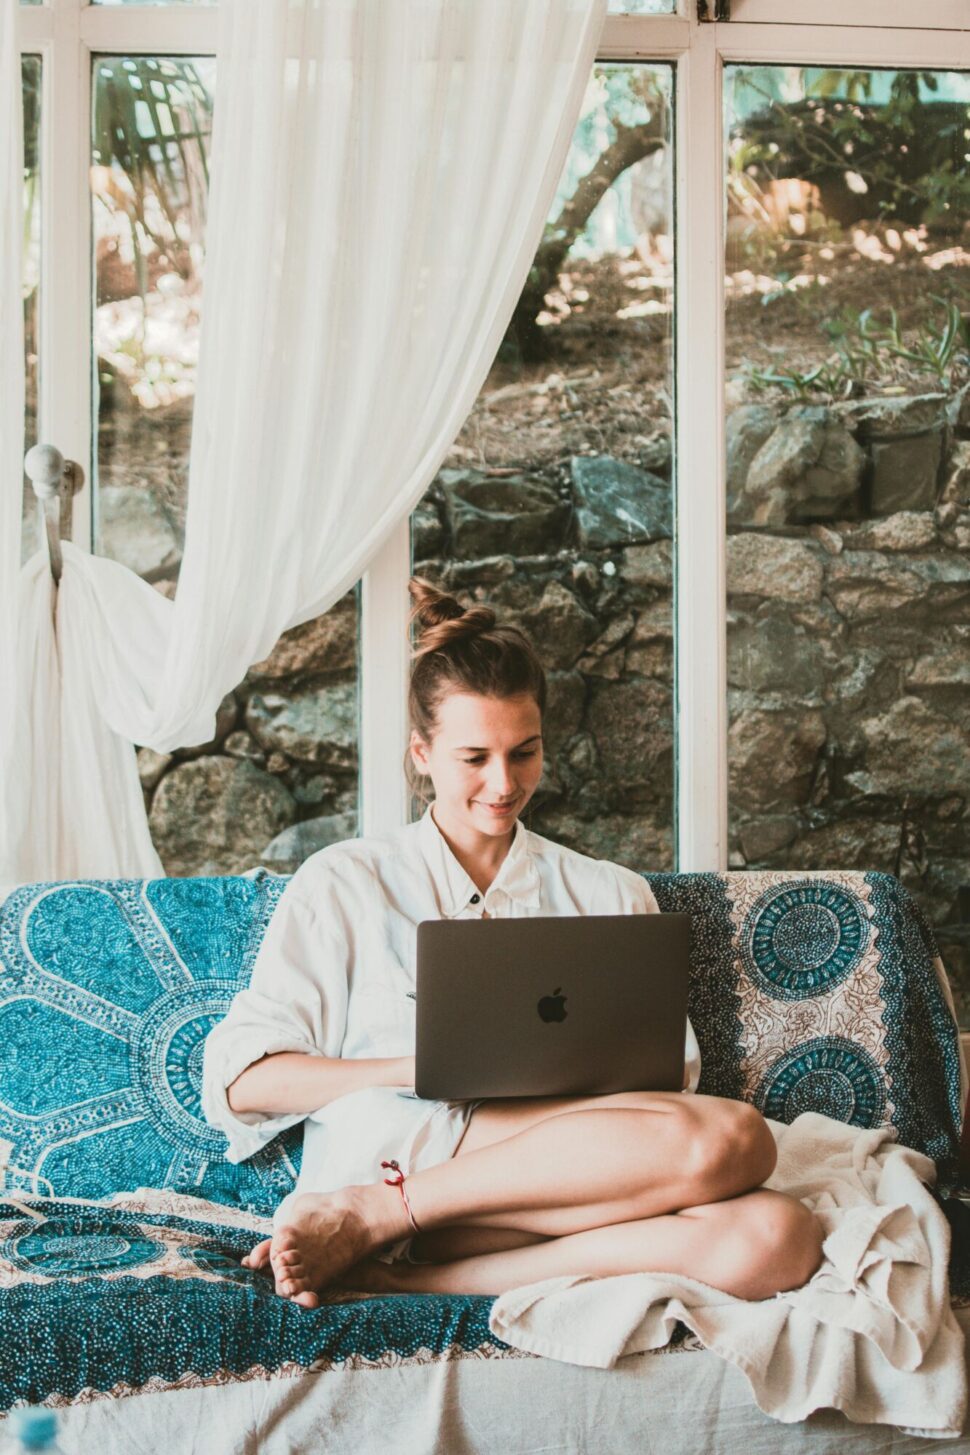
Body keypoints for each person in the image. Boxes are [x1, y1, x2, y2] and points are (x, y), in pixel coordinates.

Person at [201, 577, 822, 1311]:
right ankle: (376, 1207)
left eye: (523, 752)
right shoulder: (346, 882)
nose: (503, 783)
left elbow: (669, 1083)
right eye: (474, 758)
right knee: (737, 1139)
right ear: (421, 753)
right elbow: (239, 1082)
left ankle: (401, 1273)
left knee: (782, 1237)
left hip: (573, 1174)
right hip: (416, 1152)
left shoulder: (606, 891)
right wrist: (419, 1065)